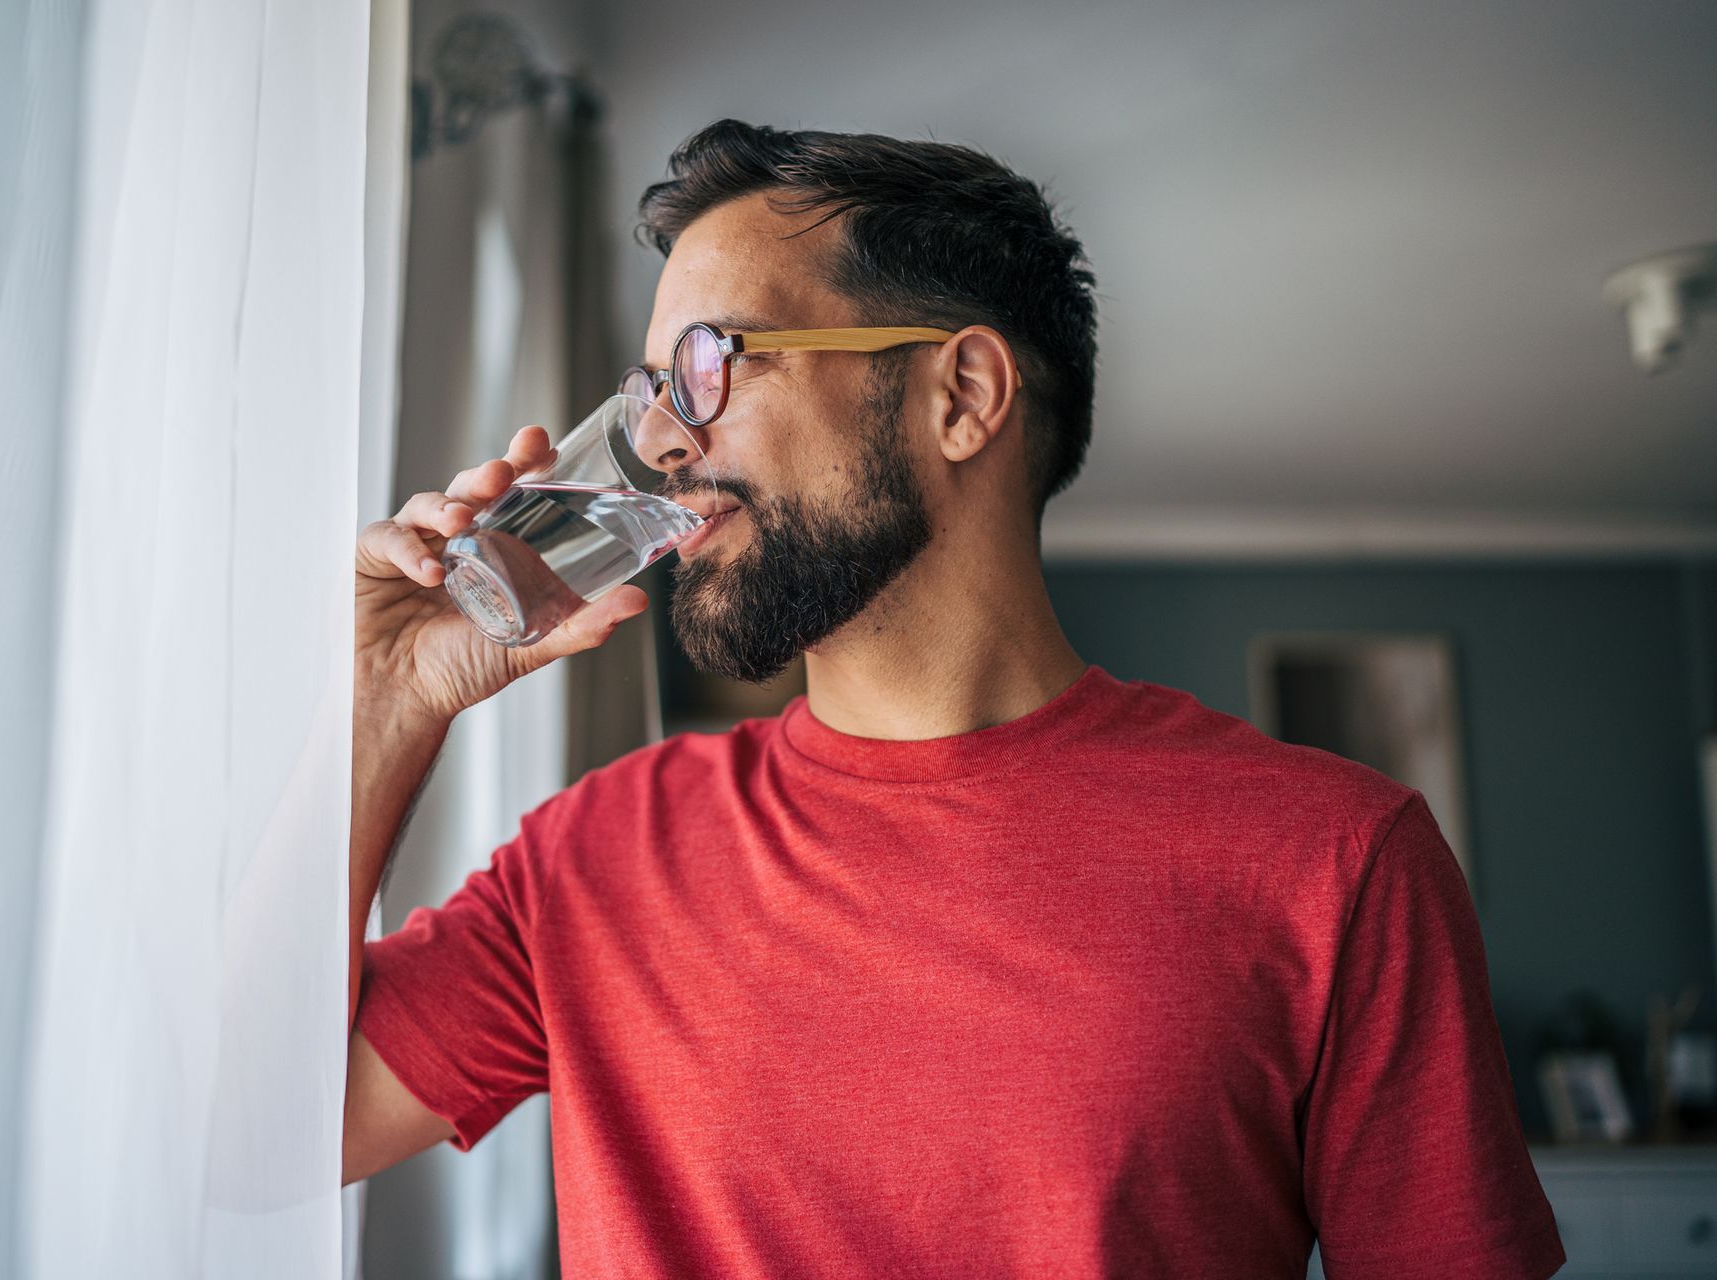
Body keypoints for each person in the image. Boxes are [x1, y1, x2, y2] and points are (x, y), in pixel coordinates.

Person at [340, 119, 1565, 1280]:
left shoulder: (1339, 862)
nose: (661, 441)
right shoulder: (591, 859)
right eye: (653, 386)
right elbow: (264, 1140)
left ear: (963, 395)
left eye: (710, 364)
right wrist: (397, 693)